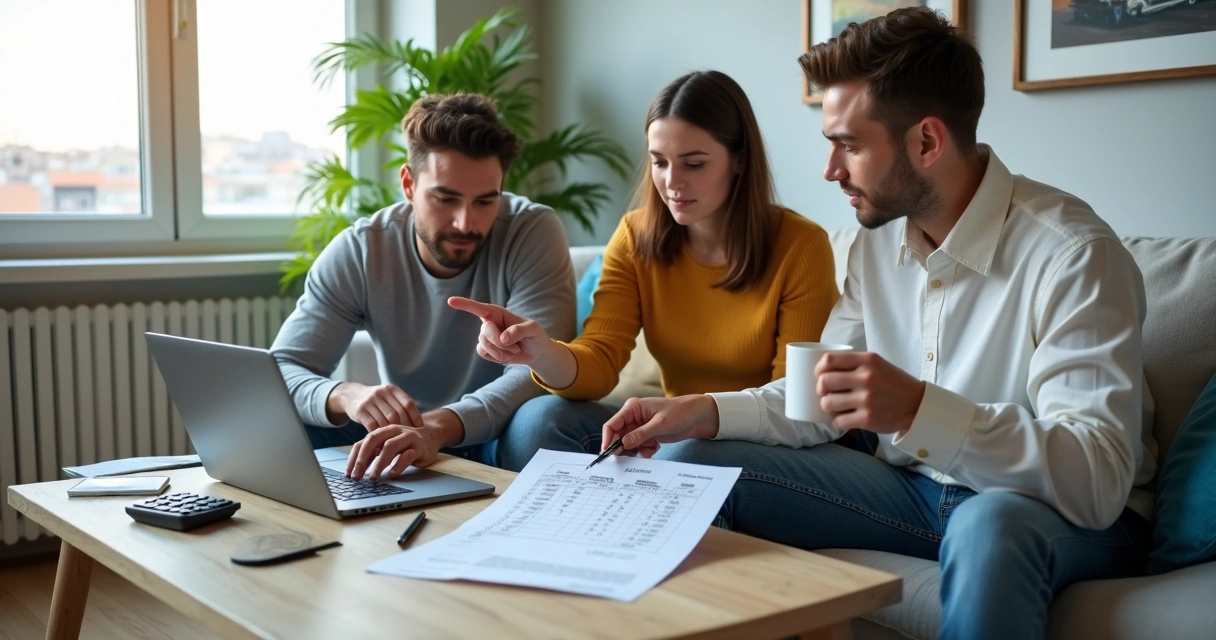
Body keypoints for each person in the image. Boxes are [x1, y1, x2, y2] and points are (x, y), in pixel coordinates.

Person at [595, 9, 1157, 640]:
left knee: (988, 525)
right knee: (693, 454)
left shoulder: (1073, 254)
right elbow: (814, 402)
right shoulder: (876, 247)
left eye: (850, 145)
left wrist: (918, 408)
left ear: (926, 142)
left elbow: (1098, 477)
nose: (831, 171)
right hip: (910, 493)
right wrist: (707, 410)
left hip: (1055, 514)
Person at [449, 70, 840, 471]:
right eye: (659, 162)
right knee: (537, 421)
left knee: (690, 451)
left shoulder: (800, 246)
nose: (672, 182)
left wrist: (697, 420)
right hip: (675, 428)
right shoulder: (636, 236)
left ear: (739, 160)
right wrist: (541, 353)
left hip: (760, 439)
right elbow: (601, 359)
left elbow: (790, 401)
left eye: (694, 164)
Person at [269, 93, 575, 482]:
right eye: (446, 198)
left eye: (485, 201)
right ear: (409, 184)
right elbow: (282, 370)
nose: (466, 223)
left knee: (541, 419)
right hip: (401, 433)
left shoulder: (531, 230)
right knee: (286, 419)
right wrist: (346, 396)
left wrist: (437, 427)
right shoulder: (362, 249)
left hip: (496, 433)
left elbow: (539, 372)